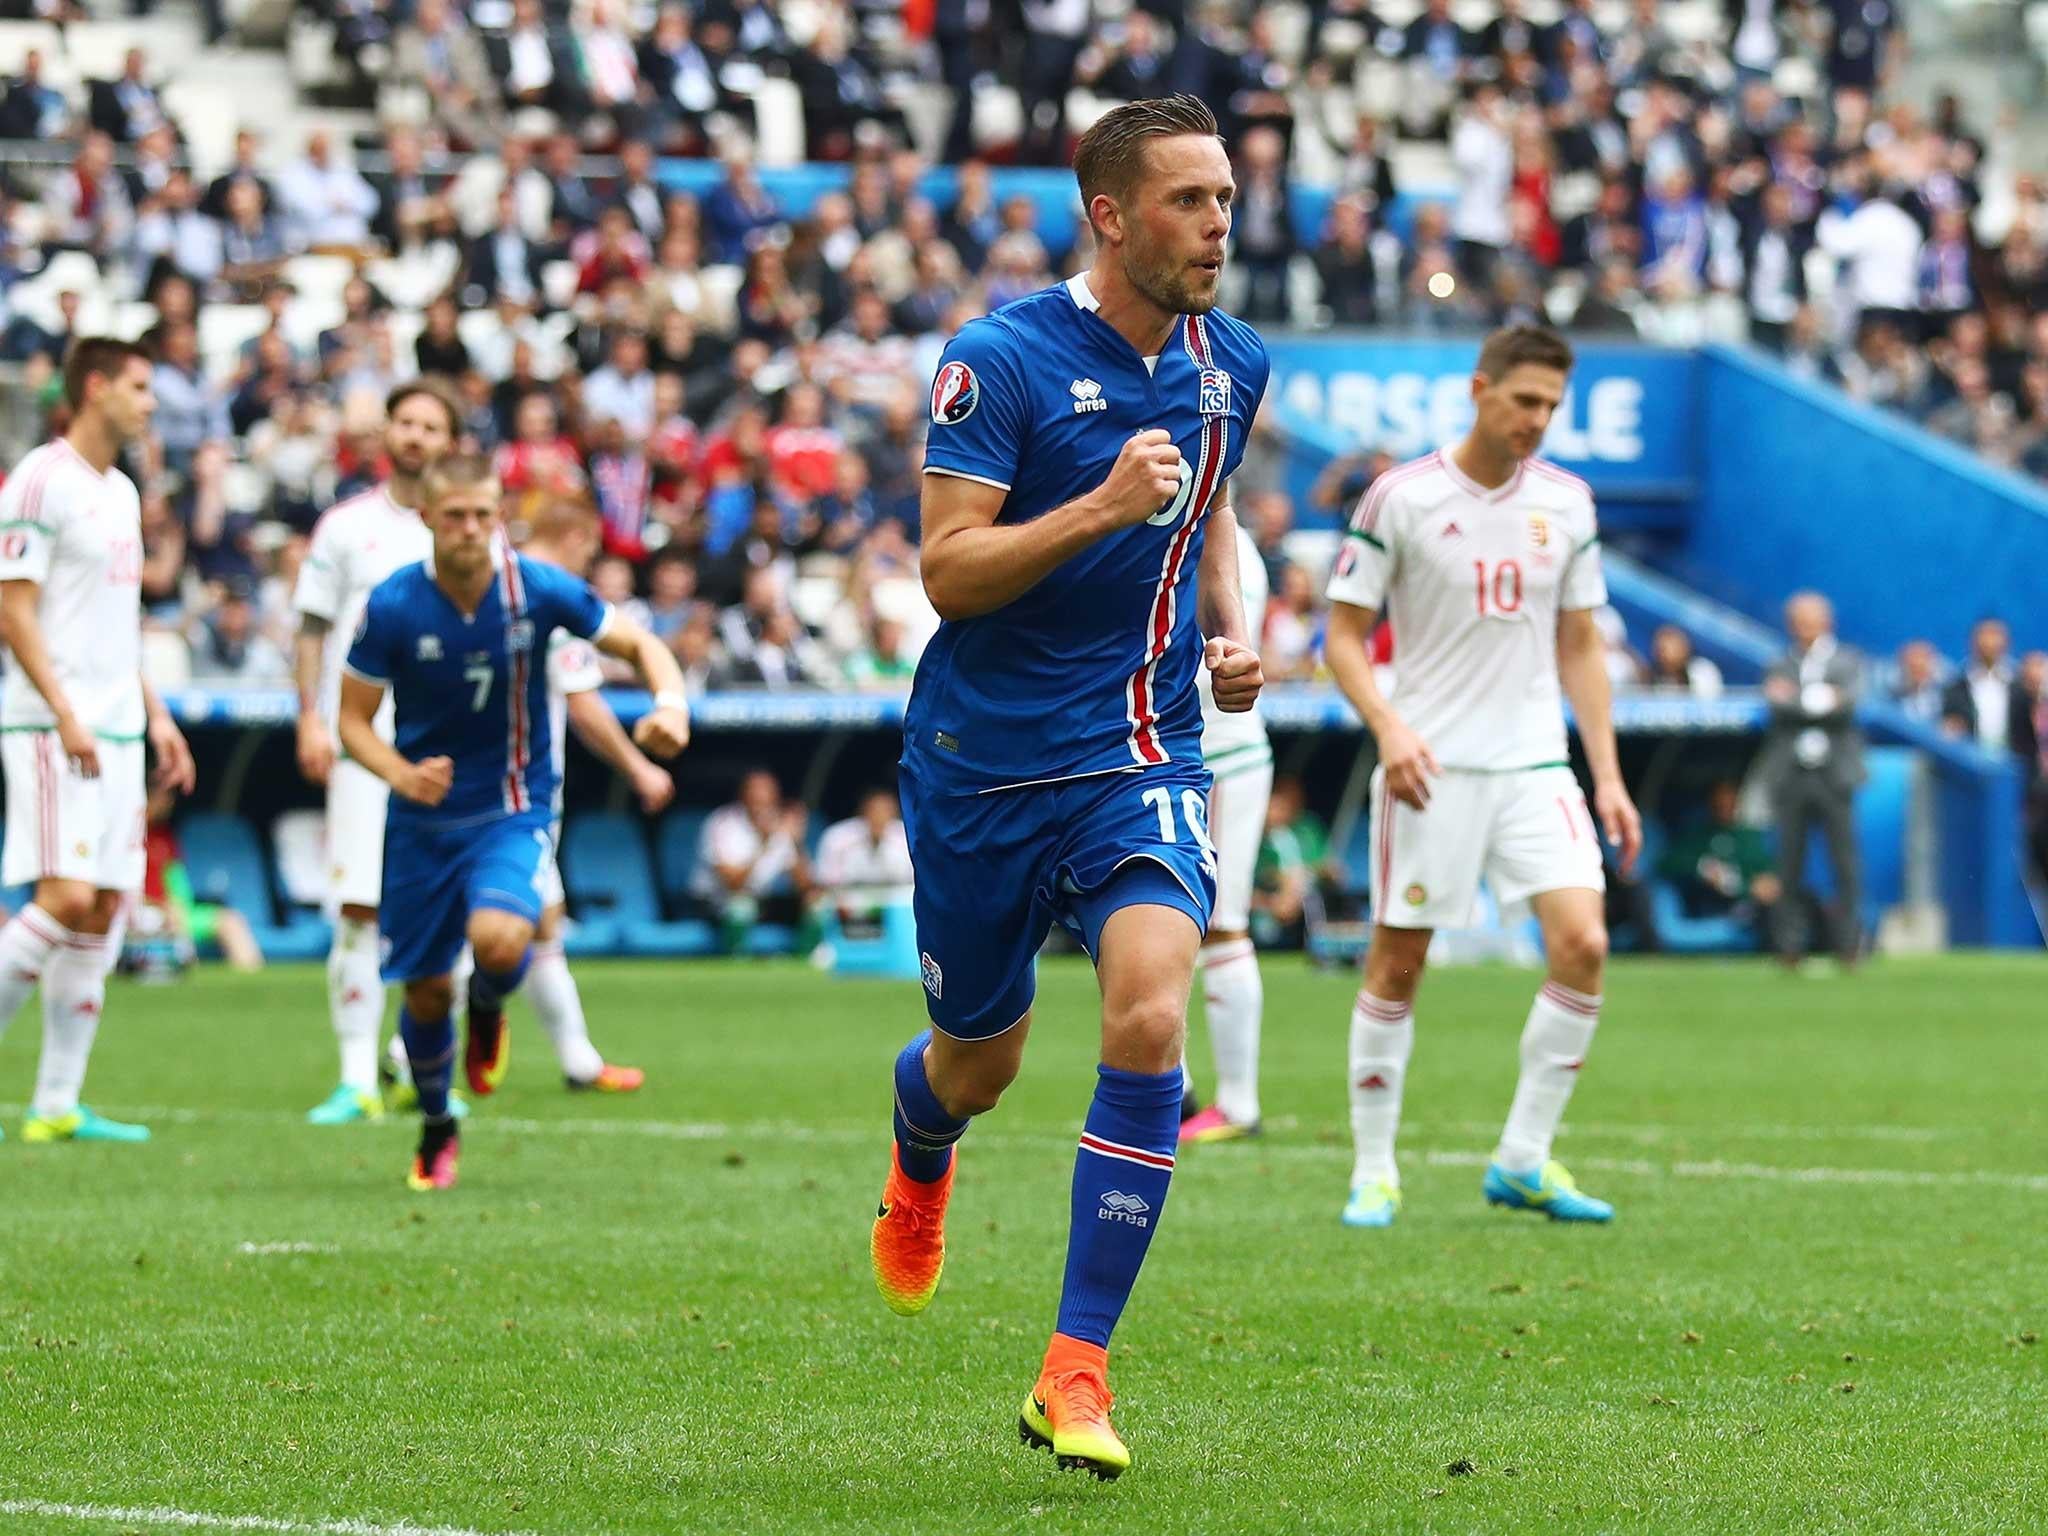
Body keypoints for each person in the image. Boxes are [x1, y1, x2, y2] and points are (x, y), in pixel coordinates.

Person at [867, 95, 1269, 1480]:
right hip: (980, 767)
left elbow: (1208, 499)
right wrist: (1101, 505)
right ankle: (921, 1147)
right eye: (1189, 202)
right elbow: (948, 572)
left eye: (1225, 197)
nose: (1219, 222)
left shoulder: (1235, 365)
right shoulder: (999, 362)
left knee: (1155, 1011)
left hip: (1142, 750)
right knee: (981, 1061)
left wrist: (1225, 623)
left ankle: (1074, 1371)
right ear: (1110, 215)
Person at [1323, 324, 1642, 1230]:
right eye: (1524, 401)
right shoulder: (1403, 497)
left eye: (1551, 406)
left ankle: (1524, 1160)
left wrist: (1608, 775)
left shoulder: (1570, 504)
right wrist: (1388, 727)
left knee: (1584, 943)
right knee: (1399, 961)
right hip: (1432, 765)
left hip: (1537, 763)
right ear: (1480, 389)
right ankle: (1375, 1168)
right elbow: (1343, 636)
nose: (1537, 420)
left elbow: (1579, 642)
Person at [337, 455, 690, 1192]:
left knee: (502, 937)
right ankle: (438, 1124)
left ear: (499, 518)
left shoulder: (538, 589)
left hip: (513, 809)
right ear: (428, 520)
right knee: (426, 994)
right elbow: (351, 722)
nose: (470, 530)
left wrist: (670, 702)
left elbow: (641, 643)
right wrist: (400, 774)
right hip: (421, 823)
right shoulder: (394, 605)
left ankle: (492, 1003)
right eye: (455, 516)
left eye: (483, 516)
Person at [0, 337, 198, 1143]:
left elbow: (121, 619)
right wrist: (66, 712)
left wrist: (157, 715)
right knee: (65, 895)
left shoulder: (119, 490)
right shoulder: (40, 480)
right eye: (140, 387)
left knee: (106, 906)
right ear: (95, 387)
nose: (151, 403)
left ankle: (56, 1103)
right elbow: (12, 607)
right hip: (55, 723)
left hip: (118, 724)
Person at [292, 379, 461, 1126]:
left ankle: (415, 1060)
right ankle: (356, 1077)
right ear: (387, 432)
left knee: (443, 913)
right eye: (407, 421)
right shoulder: (344, 528)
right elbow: (311, 629)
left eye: (432, 426)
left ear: (449, 442)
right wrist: (309, 717)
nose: (417, 435)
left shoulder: (461, 530)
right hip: (364, 744)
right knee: (359, 906)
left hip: (445, 751)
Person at [1179, 513, 1271, 1146]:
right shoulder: (1226, 541)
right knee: (1166, 923)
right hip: (1189, 752)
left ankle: (1238, 1103)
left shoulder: (1219, 546)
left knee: (1221, 922)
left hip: (1221, 752)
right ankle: (1174, 1089)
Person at [1761, 592, 1865, 967]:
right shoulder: (1780, 661)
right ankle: (1789, 947)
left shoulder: (1848, 660)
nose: (1804, 626)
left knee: (1845, 864)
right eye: (1798, 619)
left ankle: (1850, 945)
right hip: (1791, 775)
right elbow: (1775, 703)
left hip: (1835, 776)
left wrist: (1800, 700)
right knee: (1788, 863)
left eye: (1811, 618)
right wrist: (1820, 700)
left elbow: (1848, 705)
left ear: (1827, 620)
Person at [694, 769, 815, 948]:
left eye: (768, 792)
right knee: (741, 906)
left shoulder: (781, 825)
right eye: (755, 792)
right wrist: (762, 844)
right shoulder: (722, 823)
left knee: (817, 904)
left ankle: (808, 963)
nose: (762, 799)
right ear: (743, 796)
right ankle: (735, 963)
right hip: (716, 902)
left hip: (761, 900)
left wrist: (797, 843)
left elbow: (806, 886)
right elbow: (733, 884)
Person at [1656, 778, 1781, 943]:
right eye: (1719, 803)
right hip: (1707, 904)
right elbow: (1665, 864)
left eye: (1729, 802)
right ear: (1710, 804)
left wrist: (1761, 882)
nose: (1724, 807)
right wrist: (1702, 868)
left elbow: (1767, 870)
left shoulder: (1750, 837)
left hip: (1747, 905)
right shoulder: (1696, 836)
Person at [814, 785, 913, 935]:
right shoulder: (837, 837)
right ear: (864, 812)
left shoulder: (907, 837)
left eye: (885, 811)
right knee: (816, 903)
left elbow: (912, 882)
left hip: (895, 904)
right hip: (848, 901)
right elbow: (825, 883)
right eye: (874, 811)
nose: (879, 817)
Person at [1941, 618, 2014, 750]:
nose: (1989, 642)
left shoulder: (2020, 686)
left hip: (2015, 764)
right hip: (1972, 763)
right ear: (1972, 642)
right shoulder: (1954, 688)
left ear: (2007, 642)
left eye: (1995, 635)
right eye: (1984, 635)